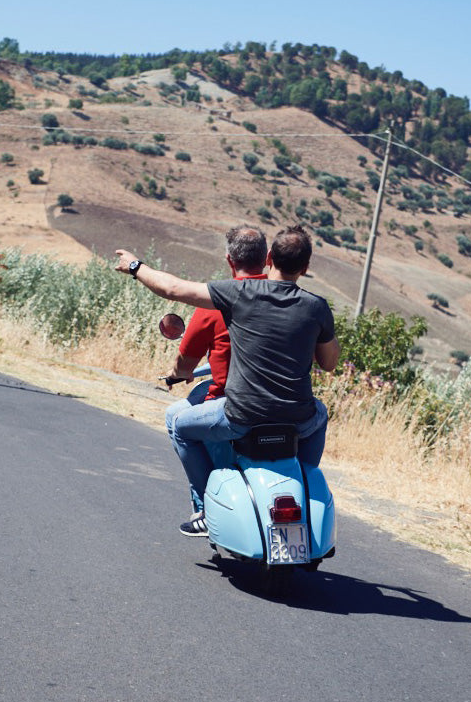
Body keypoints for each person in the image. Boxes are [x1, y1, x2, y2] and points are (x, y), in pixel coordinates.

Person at [115, 225, 340, 536]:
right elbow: (329, 363)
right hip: (297, 419)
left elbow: (173, 288)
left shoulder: (240, 294)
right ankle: (302, 478)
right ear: (305, 268)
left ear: (270, 258)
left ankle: (207, 508)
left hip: (243, 416)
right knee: (321, 413)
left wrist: (135, 266)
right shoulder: (317, 306)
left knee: (180, 426)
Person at [163, 225, 268, 520]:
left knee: (176, 420)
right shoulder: (287, 300)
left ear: (229, 260)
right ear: (267, 258)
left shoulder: (216, 302)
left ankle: (205, 507)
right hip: (285, 405)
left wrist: (177, 372)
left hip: (231, 403)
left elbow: (184, 363)